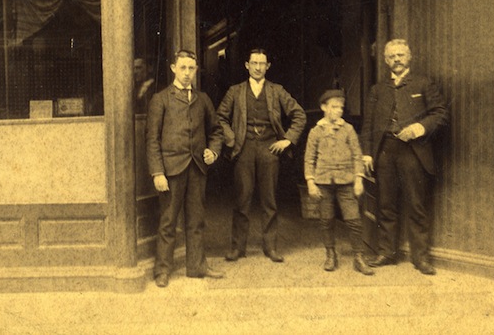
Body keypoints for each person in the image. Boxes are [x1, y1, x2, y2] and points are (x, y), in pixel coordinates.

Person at [360, 39, 448, 275]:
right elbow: (368, 123)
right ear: (386, 60)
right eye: (392, 56)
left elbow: (440, 113)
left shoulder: (423, 83)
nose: (396, 59)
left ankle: (421, 258)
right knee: (385, 204)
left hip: (413, 151)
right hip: (385, 151)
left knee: (416, 204)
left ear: (409, 57)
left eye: (401, 55)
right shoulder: (377, 90)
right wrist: (367, 153)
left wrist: (418, 128)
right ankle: (386, 253)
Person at [216, 48, 306, 263]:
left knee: (269, 200)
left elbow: (299, 115)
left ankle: (270, 247)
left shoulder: (277, 91)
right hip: (244, 149)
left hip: (269, 148)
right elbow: (220, 118)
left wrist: (288, 139)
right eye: (254, 63)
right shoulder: (235, 91)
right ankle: (238, 248)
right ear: (247, 65)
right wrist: (232, 140)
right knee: (242, 199)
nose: (258, 67)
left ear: (268, 66)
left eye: (262, 63)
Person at [146, 49, 225, 287]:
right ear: (173, 69)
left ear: (196, 70)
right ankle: (162, 270)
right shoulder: (161, 99)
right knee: (168, 222)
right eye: (183, 68)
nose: (187, 73)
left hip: (197, 169)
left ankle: (197, 266)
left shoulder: (203, 100)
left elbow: (216, 131)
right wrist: (157, 172)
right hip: (171, 171)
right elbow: (152, 139)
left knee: (197, 220)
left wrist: (213, 150)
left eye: (191, 68)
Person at [304, 89, 374, 275]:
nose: (338, 111)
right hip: (323, 182)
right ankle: (330, 254)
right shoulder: (316, 132)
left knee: (354, 220)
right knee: (326, 219)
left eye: (341, 107)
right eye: (334, 107)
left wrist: (358, 180)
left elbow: (357, 156)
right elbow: (309, 159)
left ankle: (358, 257)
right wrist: (311, 183)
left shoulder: (348, 129)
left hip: (346, 181)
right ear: (324, 107)